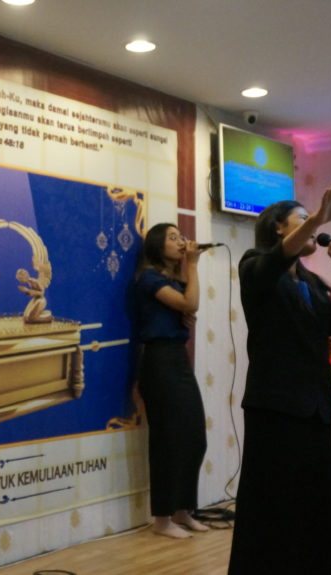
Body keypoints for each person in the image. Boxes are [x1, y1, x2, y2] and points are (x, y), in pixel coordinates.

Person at [228, 178, 331, 574]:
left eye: (311, 219)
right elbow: (273, 261)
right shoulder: (254, 266)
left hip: (316, 407)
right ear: (278, 228)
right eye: (302, 219)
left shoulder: (312, 283)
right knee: (276, 506)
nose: (314, 226)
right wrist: (319, 217)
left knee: (318, 507)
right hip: (276, 407)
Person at [132, 222, 210, 539]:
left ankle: (183, 510)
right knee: (167, 440)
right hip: (159, 360)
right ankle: (162, 519)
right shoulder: (149, 278)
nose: (181, 242)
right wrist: (193, 264)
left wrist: (186, 313)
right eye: (173, 238)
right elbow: (190, 304)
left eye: (182, 236)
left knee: (193, 436)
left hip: (177, 358)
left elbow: (188, 309)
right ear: (156, 245)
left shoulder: (173, 281)